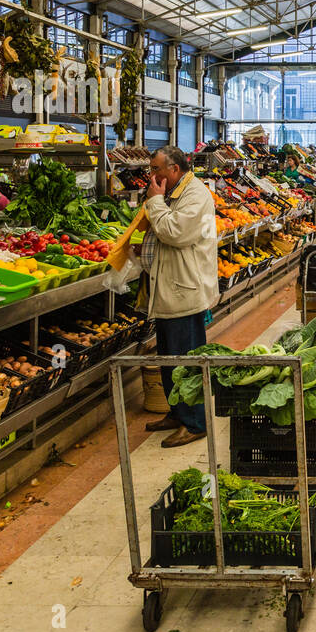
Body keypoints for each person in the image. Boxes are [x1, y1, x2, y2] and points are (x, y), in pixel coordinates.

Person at [138, 145, 219, 448]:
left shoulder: (195, 195)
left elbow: (174, 233)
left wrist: (155, 202)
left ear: (174, 169)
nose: (152, 175)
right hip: (170, 290)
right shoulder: (176, 192)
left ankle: (195, 422)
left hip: (184, 291)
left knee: (187, 361)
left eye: (156, 169)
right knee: (170, 359)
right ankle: (177, 412)